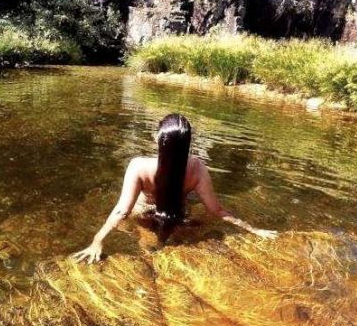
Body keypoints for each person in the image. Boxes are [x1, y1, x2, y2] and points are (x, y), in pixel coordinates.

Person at [71, 113, 277, 264]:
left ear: (158, 140)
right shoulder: (196, 168)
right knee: (178, 244)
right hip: (178, 215)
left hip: (143, 215)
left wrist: (97, 240)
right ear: (188, 144)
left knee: (149, 250)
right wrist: (254, 230)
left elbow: (122, 211)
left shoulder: (139, 166)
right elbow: (216, 211)